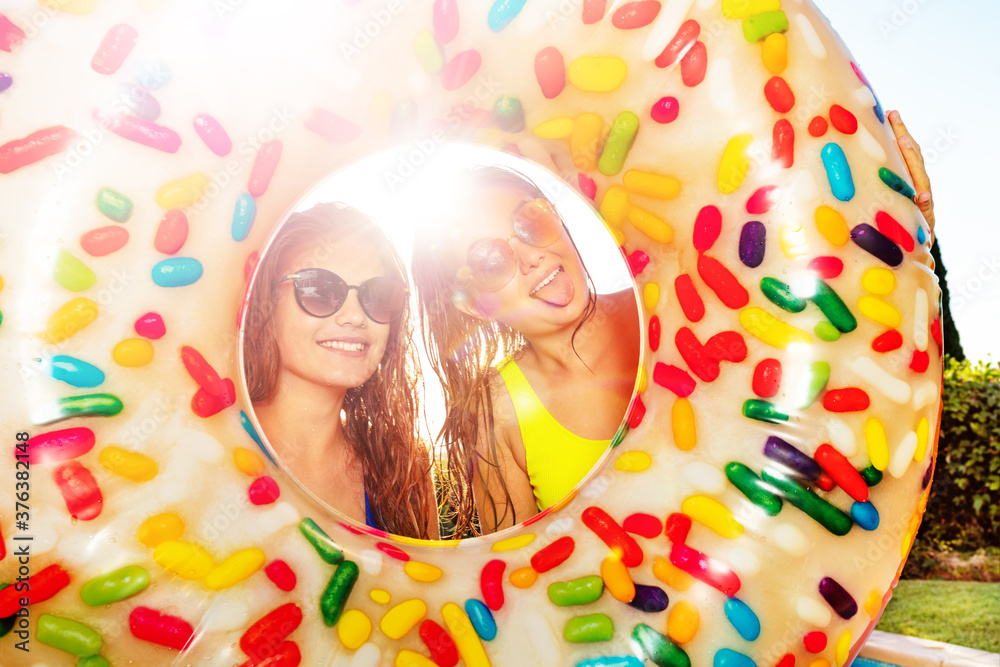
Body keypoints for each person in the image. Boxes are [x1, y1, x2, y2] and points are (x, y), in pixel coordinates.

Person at [412, 166, 641, 536]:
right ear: (475, 305)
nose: (530, 256)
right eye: (490, 261)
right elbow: (517, 577)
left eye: (531, 222)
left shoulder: (665, 309)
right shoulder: (495, 413)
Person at [243, 202, 438, 539]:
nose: (355, 316)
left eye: (377, 295)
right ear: (265, 303)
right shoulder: (213, 445)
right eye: (319, 290)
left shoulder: (405, 472)